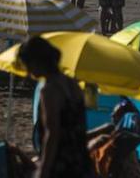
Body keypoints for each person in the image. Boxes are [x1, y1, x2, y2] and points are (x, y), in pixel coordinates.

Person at [19, 36, 91, 178]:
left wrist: (44, 169)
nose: (28, 72)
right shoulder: (72, 84)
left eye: (28, 65)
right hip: (80, 160)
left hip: (61, 163)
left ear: (37, 62)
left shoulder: (49, 90)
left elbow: (52, 133)